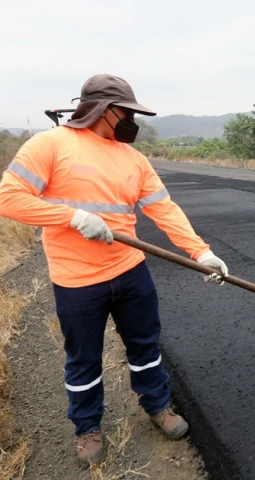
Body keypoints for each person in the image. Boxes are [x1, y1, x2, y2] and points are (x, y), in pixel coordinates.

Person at [0, 74, 229, 467]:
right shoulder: (51, 144)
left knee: (145, 345)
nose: (132, 120)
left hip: (130, 271)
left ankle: (157, 405)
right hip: (76, 280)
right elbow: (9, 198)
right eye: (127, 112)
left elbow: (164, 209)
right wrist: (71, 217)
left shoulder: (133, 159)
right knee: (83, 359)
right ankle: (87, 427)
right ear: (103, 110)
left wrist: (200, 252)